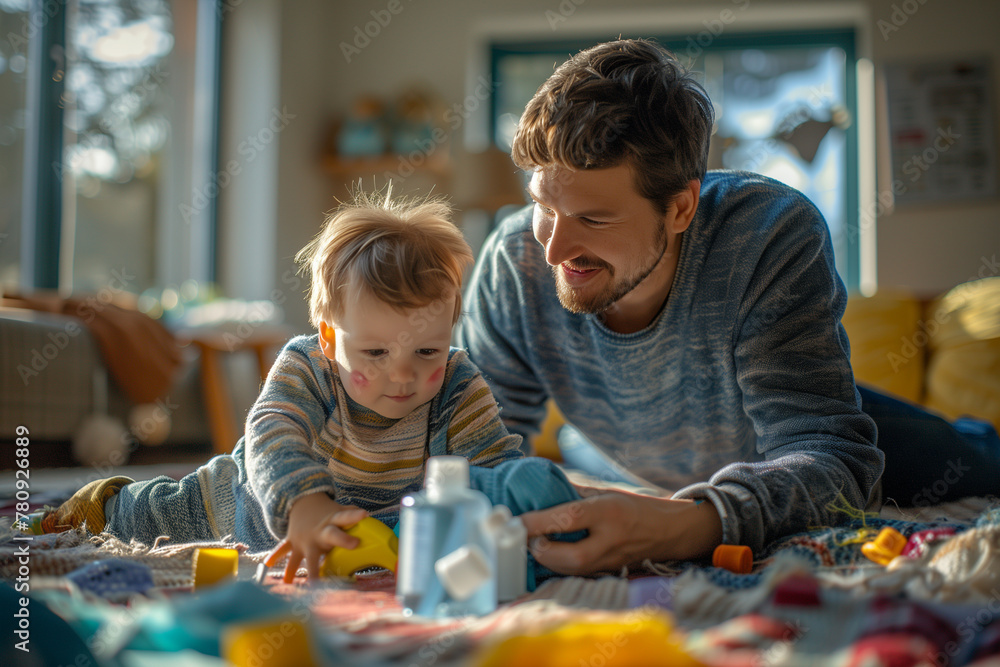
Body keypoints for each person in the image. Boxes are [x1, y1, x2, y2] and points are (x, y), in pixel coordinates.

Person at [455, 38, 1000, 576]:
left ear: (681, 208)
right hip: (619, 444)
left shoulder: (766, 235)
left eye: (593, 220)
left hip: (790, 434)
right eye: (542, 206)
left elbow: (833, 463)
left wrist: (682, 525)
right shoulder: (515, 261)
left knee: (980, 463)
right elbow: (471, 445)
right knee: (576, 450)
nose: (553, 249)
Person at [34, 189, 580, 583]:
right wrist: (305, 505)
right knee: (147, 515)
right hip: (246, 504)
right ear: (327, 337)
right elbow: (275, 432)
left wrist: (524, 508)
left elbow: (492, 462)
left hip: (381, 523)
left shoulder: (458, 382)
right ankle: (100, 499)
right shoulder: (307, 366)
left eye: (426, 351)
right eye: (375, 353)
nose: (404, 374)